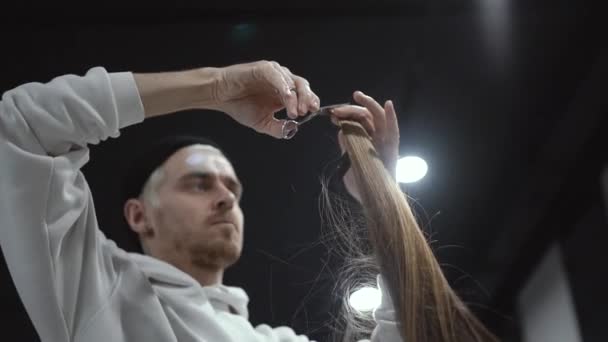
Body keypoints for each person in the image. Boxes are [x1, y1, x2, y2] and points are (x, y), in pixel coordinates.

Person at [0, 60, 402, 341]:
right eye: (198, 183)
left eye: (233, 188)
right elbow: (18, 128)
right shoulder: (96, 292)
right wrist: (216, 85)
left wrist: (382, 196)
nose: (226, 198)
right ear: (139, 215)